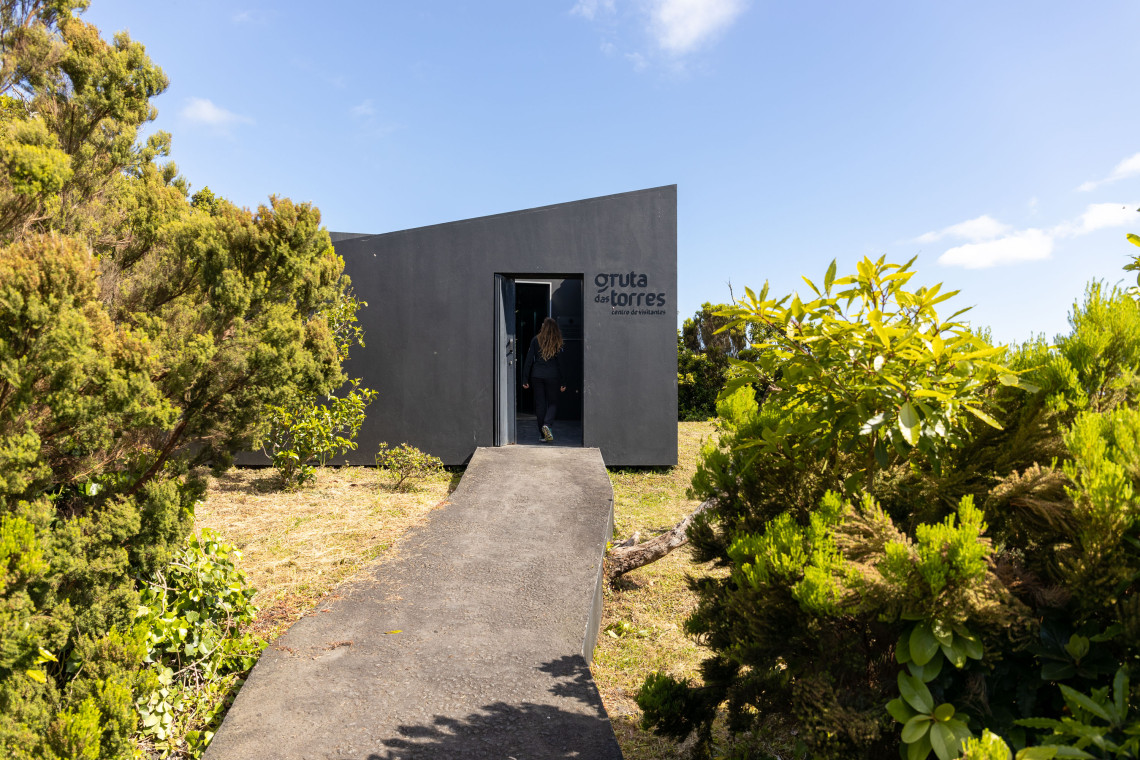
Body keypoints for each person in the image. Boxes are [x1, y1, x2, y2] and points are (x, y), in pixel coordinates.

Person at [521, 317, 566, 442]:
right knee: (552, 402)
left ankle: (542, 434)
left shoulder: (536, 339)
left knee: (540, 404)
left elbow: (529, 360)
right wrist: (563, 381)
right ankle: (547, 424)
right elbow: (560, 363)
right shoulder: (557, 341)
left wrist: (525, 379)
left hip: (537, 375)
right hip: (552, 376)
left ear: (543, 327)